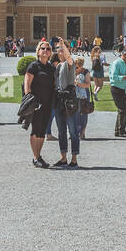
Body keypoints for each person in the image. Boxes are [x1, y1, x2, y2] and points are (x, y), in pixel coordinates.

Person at [23, 39, 57, 167]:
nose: (45, 51)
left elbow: (54, 84)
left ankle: (38, 156)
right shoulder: (33, 66)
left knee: (42, 130)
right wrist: (30, 100)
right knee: (36, 129)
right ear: (38, 51)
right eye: (43, 48)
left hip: (48, 103)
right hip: (35, 104)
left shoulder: (51, 68)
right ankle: (35, 157)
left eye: (48, 49)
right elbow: (27, 83)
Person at [51, 39, 80, 168]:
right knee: (61, 131)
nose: (60, 50)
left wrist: (64, 45)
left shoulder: (70, 63)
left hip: (69, 101)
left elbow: (68, 57)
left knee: (73, 131)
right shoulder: (58, 66)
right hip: (59, 101)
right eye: (58, 48)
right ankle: (63, 158)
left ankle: (74, 159)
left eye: (62, 48)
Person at [109, 46, 126, 137]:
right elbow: (113, 77)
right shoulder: (116, 63)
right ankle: (121, 131)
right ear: (123, 54)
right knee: (122, 109)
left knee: (122, 109)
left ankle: (118, 131)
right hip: (116, 88)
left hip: (123, 89)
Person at [73, 57, 93, 140]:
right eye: (75, 67)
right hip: (74, 94)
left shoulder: (85, 72)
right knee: (75, 113)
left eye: (78, 67)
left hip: (84, 95)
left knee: (84, 113)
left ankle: (82, 133)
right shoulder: (72, 71)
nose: (76, 69)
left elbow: (88, 84)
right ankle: (74, 132)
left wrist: (78, 84)